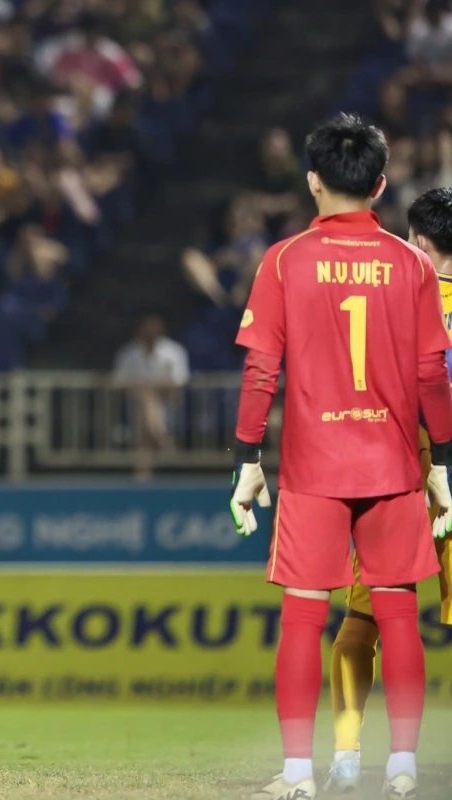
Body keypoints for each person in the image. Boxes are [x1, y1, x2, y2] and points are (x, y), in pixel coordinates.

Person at [228, 113, 452, 800]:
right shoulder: (413, 265)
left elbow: (261, 371)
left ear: (312, 181)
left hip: (313, 468)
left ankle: (300, 772)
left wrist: (247, 461)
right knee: (396, 613)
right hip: (391, 467)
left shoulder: (284, 260)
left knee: (303, 616)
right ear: (382, 183)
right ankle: (404, 767)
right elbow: (430, 377)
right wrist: (439, 463)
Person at [323, 187, 452, 794]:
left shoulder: (389, 294)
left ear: (420, 243)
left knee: (363, 618)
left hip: (400, 466)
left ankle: (348, 754)